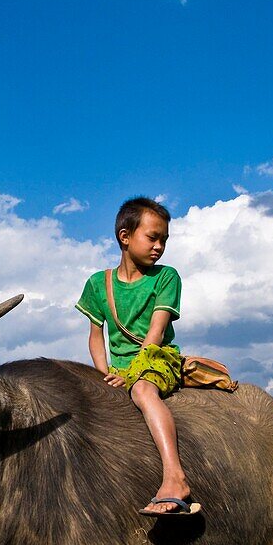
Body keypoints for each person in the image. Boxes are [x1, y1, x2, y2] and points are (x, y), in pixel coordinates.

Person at [76, 197, 200, 516]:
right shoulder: (97, 284)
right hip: (118, 367)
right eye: (152, 237)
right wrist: (103, 374)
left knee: (144, 390)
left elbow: (156, 333)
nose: (159, 246)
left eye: (164, 240)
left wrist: (132, 376)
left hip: (157, 359)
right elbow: (95, 337)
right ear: (125, 236)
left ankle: (175, 477)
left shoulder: (166, 277)